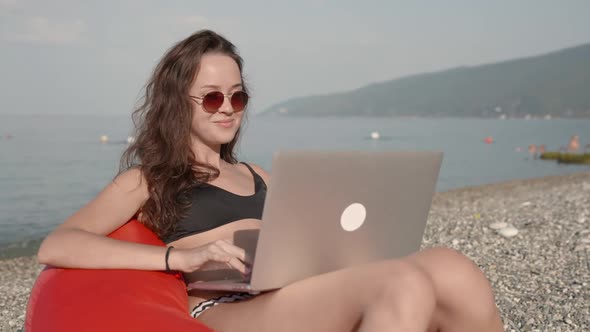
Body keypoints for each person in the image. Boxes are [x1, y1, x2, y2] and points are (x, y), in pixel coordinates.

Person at [37, 30, 504, 331]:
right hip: (225, 309)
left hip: (296, 294)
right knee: (401, 281)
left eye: (238, 98)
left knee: (451, 268)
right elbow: (58, 244)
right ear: (177, 102)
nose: (227, 107)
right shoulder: (148, 179)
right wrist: (179, 256)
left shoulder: (260, 175)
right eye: (213, 96)